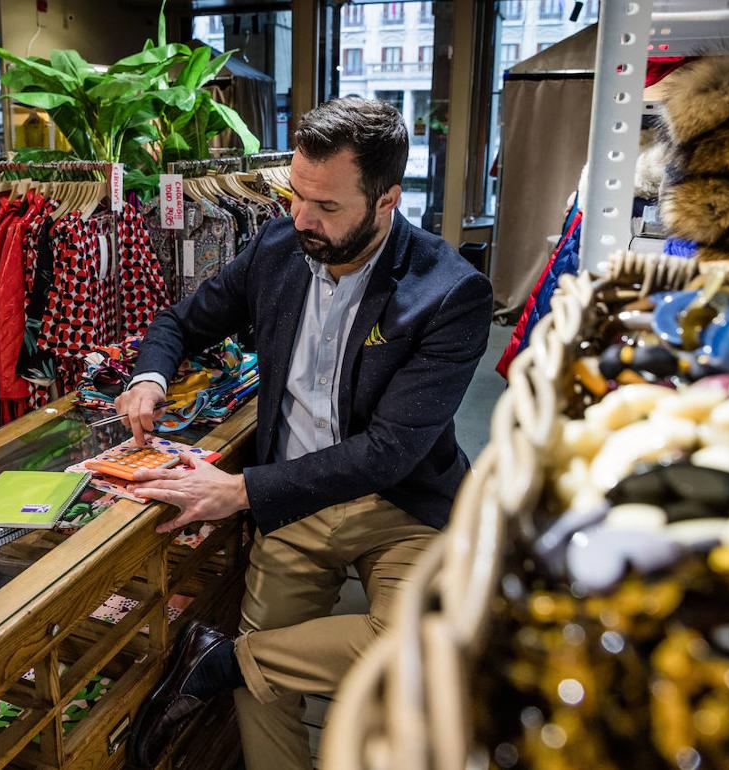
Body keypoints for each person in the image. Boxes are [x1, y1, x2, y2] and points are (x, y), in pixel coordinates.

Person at [121, 97, 493, 769]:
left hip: (400, 505)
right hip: (293, 502)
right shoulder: (275, 246)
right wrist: (147, 377)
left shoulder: (450, 293)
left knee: (422, 647)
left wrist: (242, 491)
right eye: (296, 196)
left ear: (386, 201)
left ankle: (228, 659)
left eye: (326, 207)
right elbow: (180, 321)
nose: (301, 219)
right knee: (264, 696)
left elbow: (390, 451)